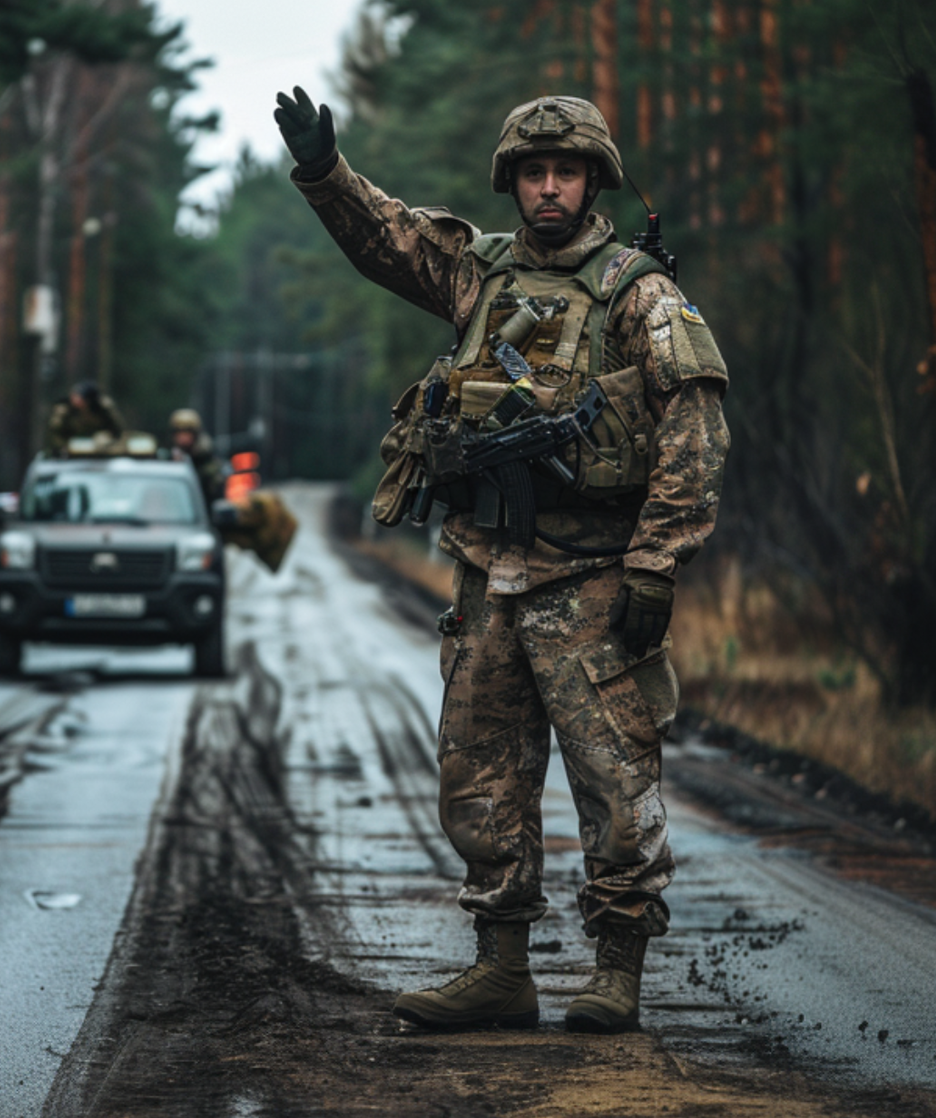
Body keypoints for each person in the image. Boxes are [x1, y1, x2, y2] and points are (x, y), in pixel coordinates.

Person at [275, 86, 729, 1034]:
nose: (550, 188)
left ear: (593, 178)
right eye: (534, 172)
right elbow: (386, 237)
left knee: (614, 780)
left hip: (595, 581)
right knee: (479, 777)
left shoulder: (635, 290)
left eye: (566, 171)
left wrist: (655, 563)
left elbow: (694, 428)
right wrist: (324, 172)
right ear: (513, 182)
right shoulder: (479, 275)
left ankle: (616, 971)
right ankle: (501, 968)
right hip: (490, 577)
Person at [46, 380, 125, 456]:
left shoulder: (102, 408)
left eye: (78, 396)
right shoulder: (64, 409)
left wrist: (108, 439)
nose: (74, 399)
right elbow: (55, 431)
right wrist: (61, 446)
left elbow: (116, 429)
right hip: (71, 445)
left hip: (100, 445)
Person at [167, 408, 226, 502]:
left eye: (186, 433)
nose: (182, 438)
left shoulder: (207, 459)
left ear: (195, 434)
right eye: (179, 433)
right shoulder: (170, 457)